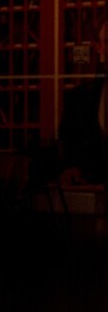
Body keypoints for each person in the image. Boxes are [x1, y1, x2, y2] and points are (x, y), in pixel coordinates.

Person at [59, 17, 108, 187]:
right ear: (99, 48)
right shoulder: (79, 98)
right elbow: (69, 146)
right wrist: (70, 168)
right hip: (93, 190)